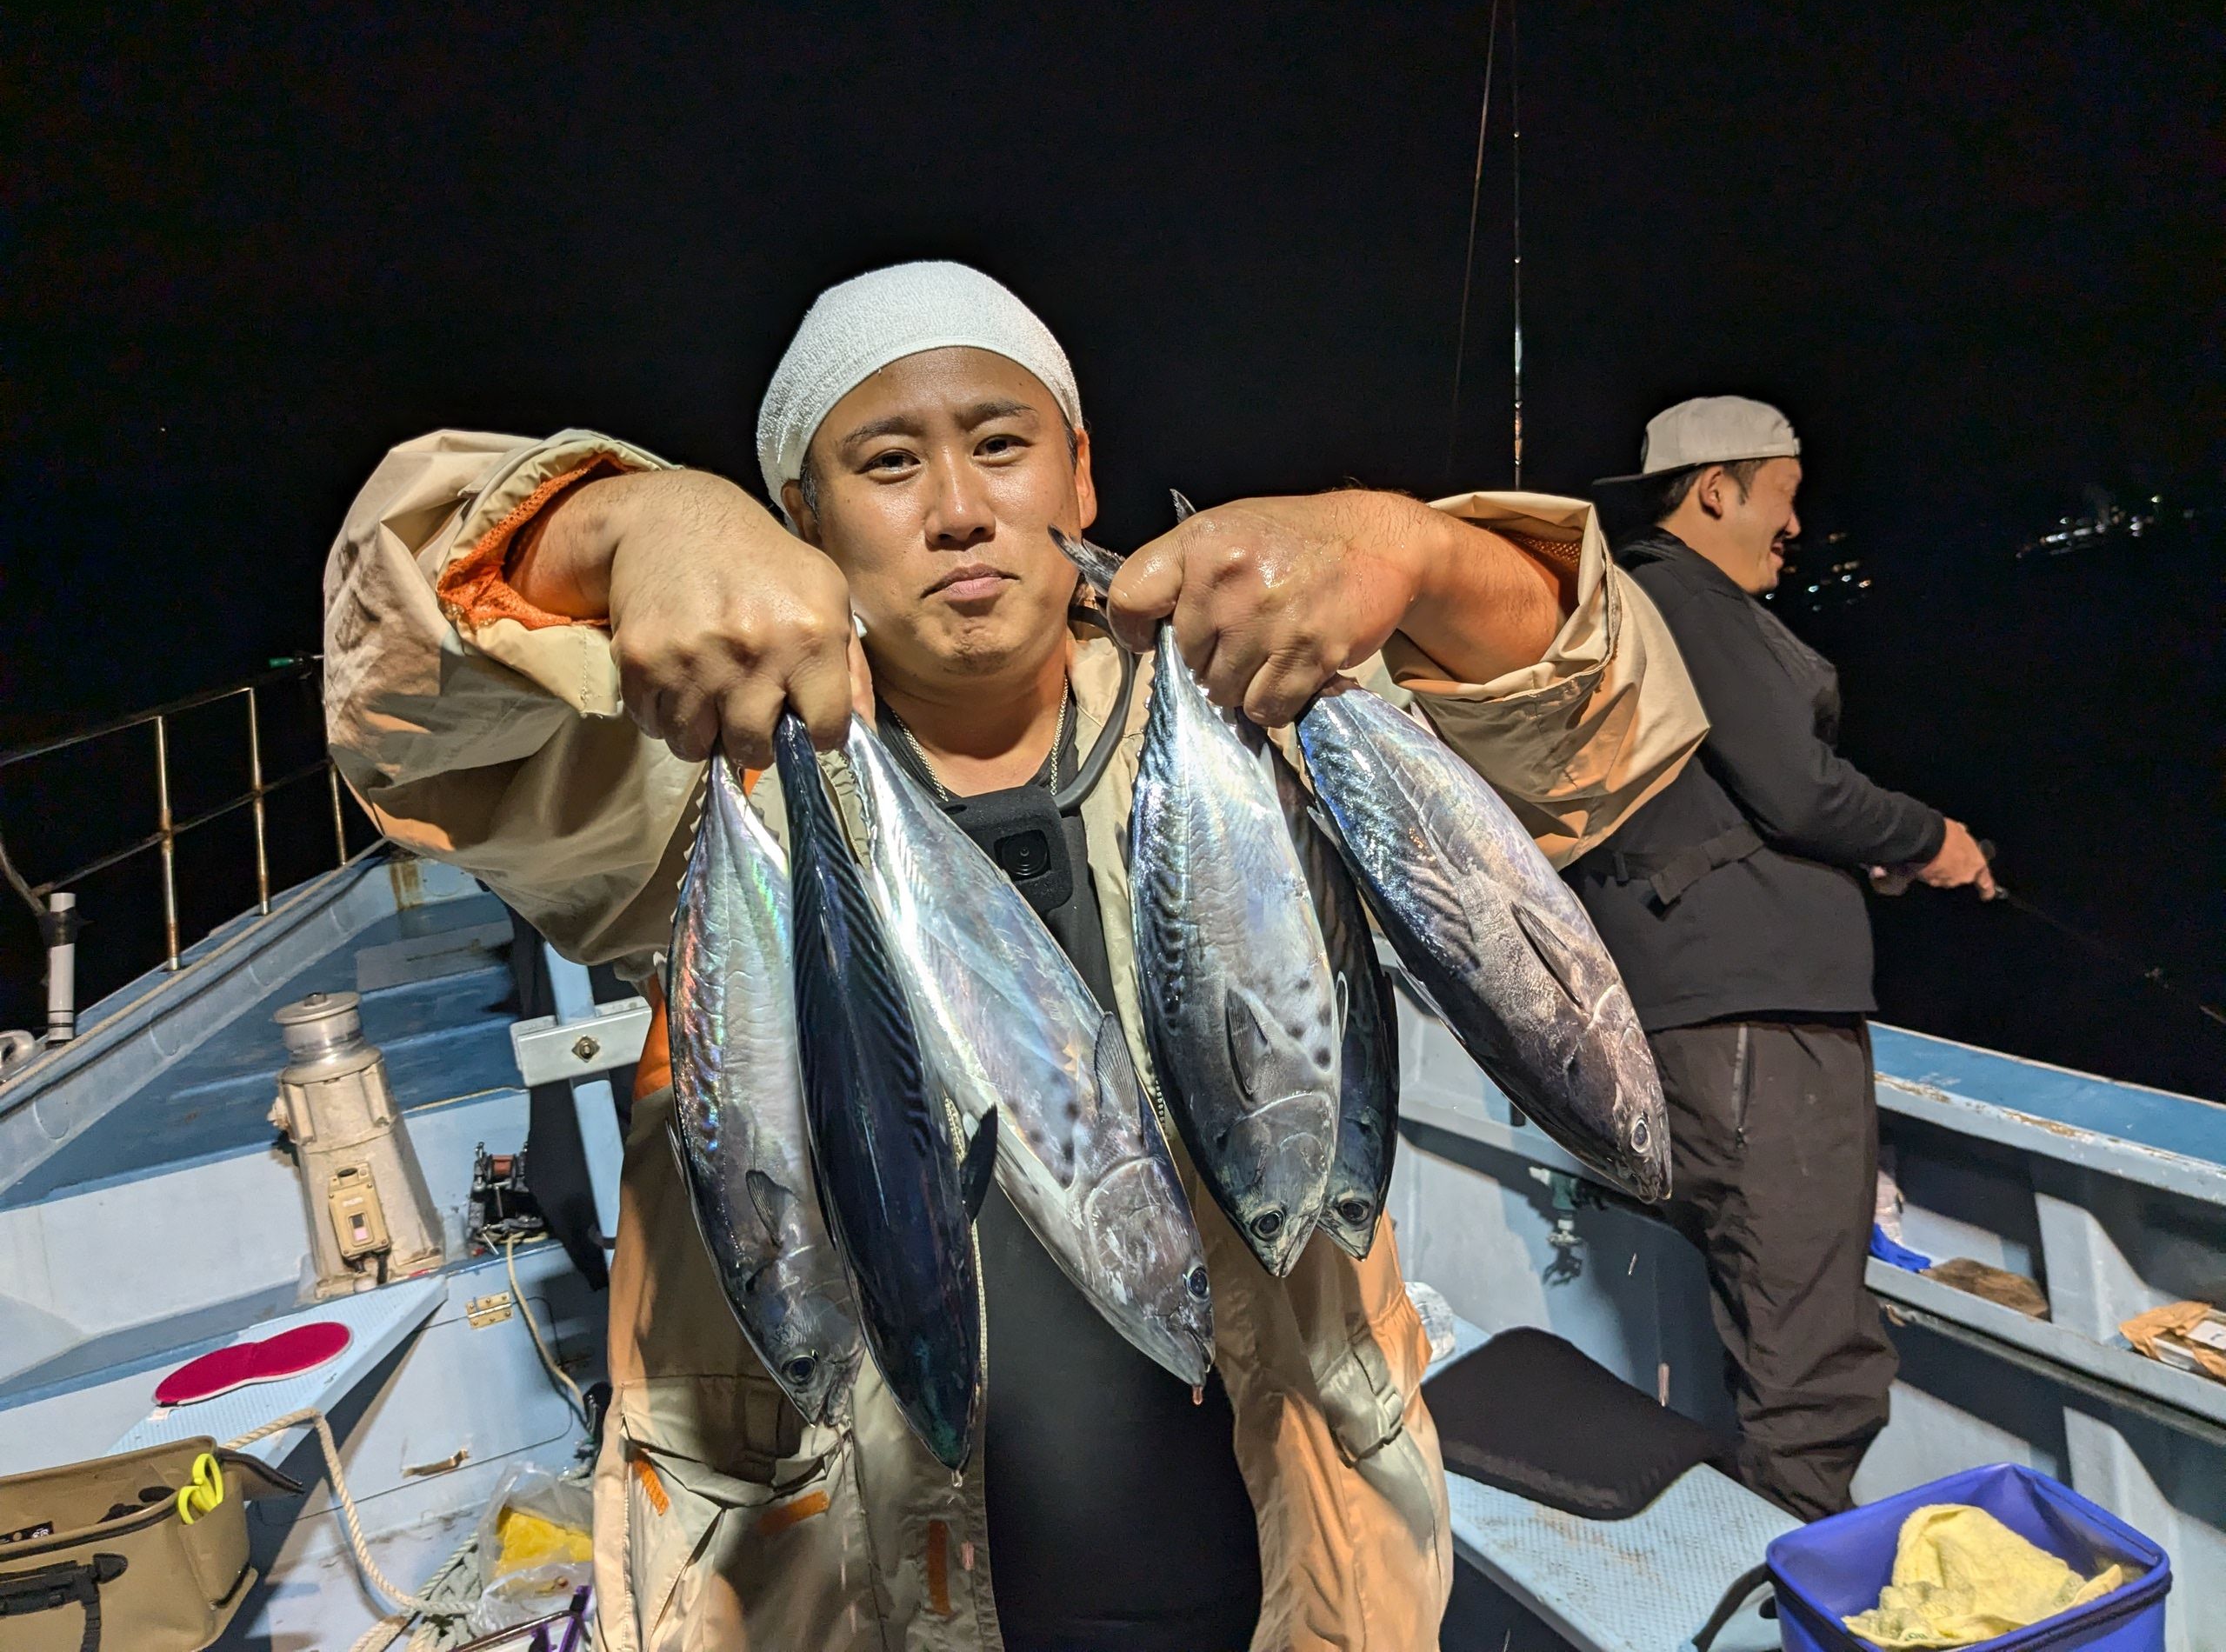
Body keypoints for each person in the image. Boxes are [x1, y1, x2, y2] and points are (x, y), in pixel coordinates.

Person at [322, 261, 1709, 1651]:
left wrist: (1410, 547)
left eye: (1000, 443)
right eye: (886, 463)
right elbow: (392, 696)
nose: (959, 508)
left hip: (1298, 1572)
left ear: (1081, 474)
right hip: (864, 1598)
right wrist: (627, 525)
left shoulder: (1265, 707)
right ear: (801, 516)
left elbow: (1602, 722)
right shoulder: (688, 767)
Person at [1579, 396, 1997, 1522]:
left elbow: (1727, 804)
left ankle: (1769, 1549)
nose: (1797, 526)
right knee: (1812, 1364)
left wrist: (1864, 859)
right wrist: (1933, 839)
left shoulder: (1655, 604)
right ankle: (1796, 1584)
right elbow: (1799, 789)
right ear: (1718, 489)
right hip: (1754, 1027)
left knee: (1777, 1325)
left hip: (1724, 1014)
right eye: (1786, 497)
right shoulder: (1684, 596)